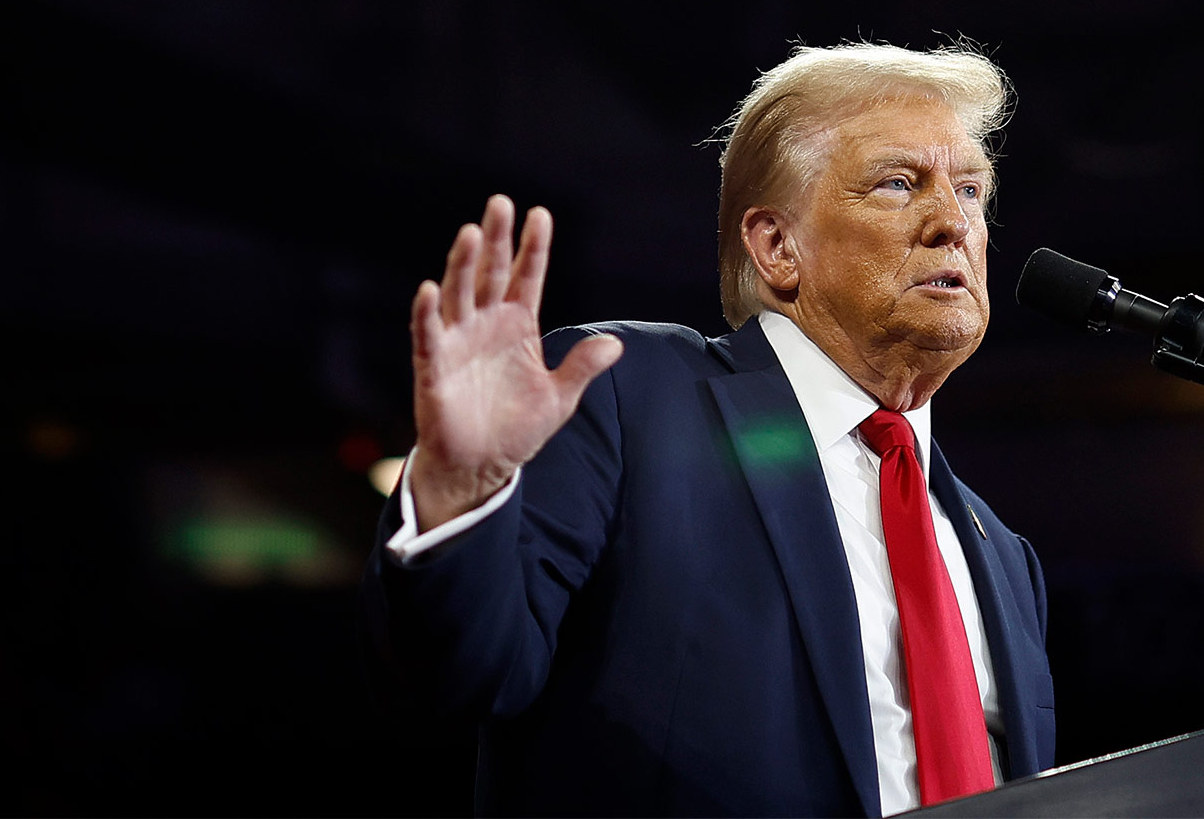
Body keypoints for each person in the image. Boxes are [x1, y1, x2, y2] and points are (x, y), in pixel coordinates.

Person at [364, 43, 1056, 817]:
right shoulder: (628, 397)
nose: (953, 224)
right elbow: (465, 674)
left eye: (970, 190)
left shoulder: (1000, 552)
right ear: (777, 247)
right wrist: (460, 493)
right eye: (899, 184)